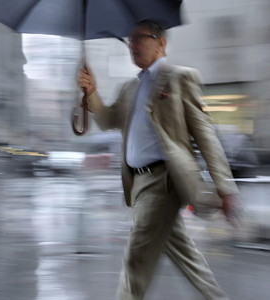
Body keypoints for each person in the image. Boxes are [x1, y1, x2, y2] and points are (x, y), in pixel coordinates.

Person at [78, 19, 239, 300]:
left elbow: (205, 135)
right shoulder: (130, 89)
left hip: (165, 180)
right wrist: (91, 92)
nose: (132, 45)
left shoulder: (180, 78)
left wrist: (224, 187)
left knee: (136, 256)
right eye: (130, 41)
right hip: (138, 184)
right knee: (182, 252)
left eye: (139, 38)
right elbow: (106, 120)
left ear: (160, 43)